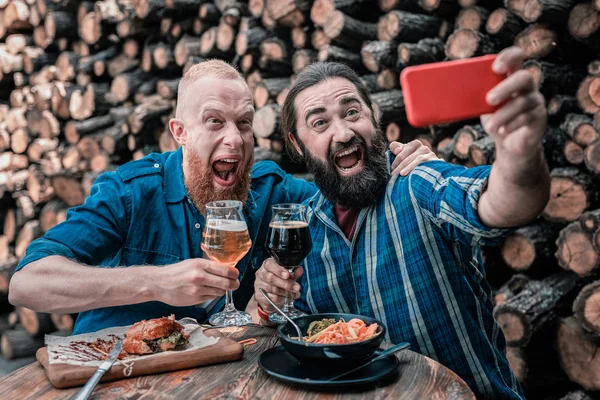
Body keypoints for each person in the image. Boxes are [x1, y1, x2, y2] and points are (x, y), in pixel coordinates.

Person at [8, 59, 436, 335]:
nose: (234, 139)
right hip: (115, 376)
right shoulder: (130, 191)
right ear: (181, 132)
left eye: (244, 123)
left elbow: (347, 196)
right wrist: (157, 282)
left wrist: (402, 160)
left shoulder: (273, 190)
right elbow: (27, 284)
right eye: (214, 122)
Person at [253, 46, 549, 400]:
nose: (344, 133)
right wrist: (265, 300)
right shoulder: (300, 229)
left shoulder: (416, 181)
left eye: (352, 112)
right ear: (298, 145)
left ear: (373, 117)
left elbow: (501, 203)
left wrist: (520, 156)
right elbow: (285, 327)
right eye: (320, 123)